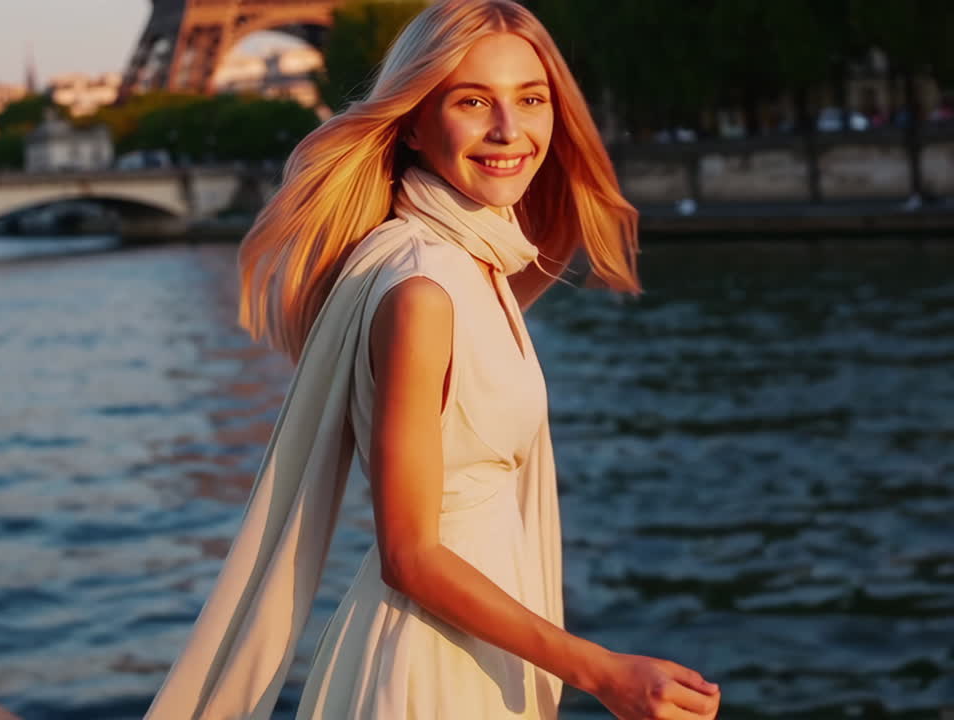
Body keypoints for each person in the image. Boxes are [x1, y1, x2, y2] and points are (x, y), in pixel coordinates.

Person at [143, 1, 722, 718]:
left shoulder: (466, 264)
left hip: (477, 650)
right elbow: (409, 555)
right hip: (431, 671)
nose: (509, 129)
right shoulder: (423, 291)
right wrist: (606, 674)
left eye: (532, 100)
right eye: (473, 101)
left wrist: (560, 164)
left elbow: (537, 250)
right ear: (413, 122)